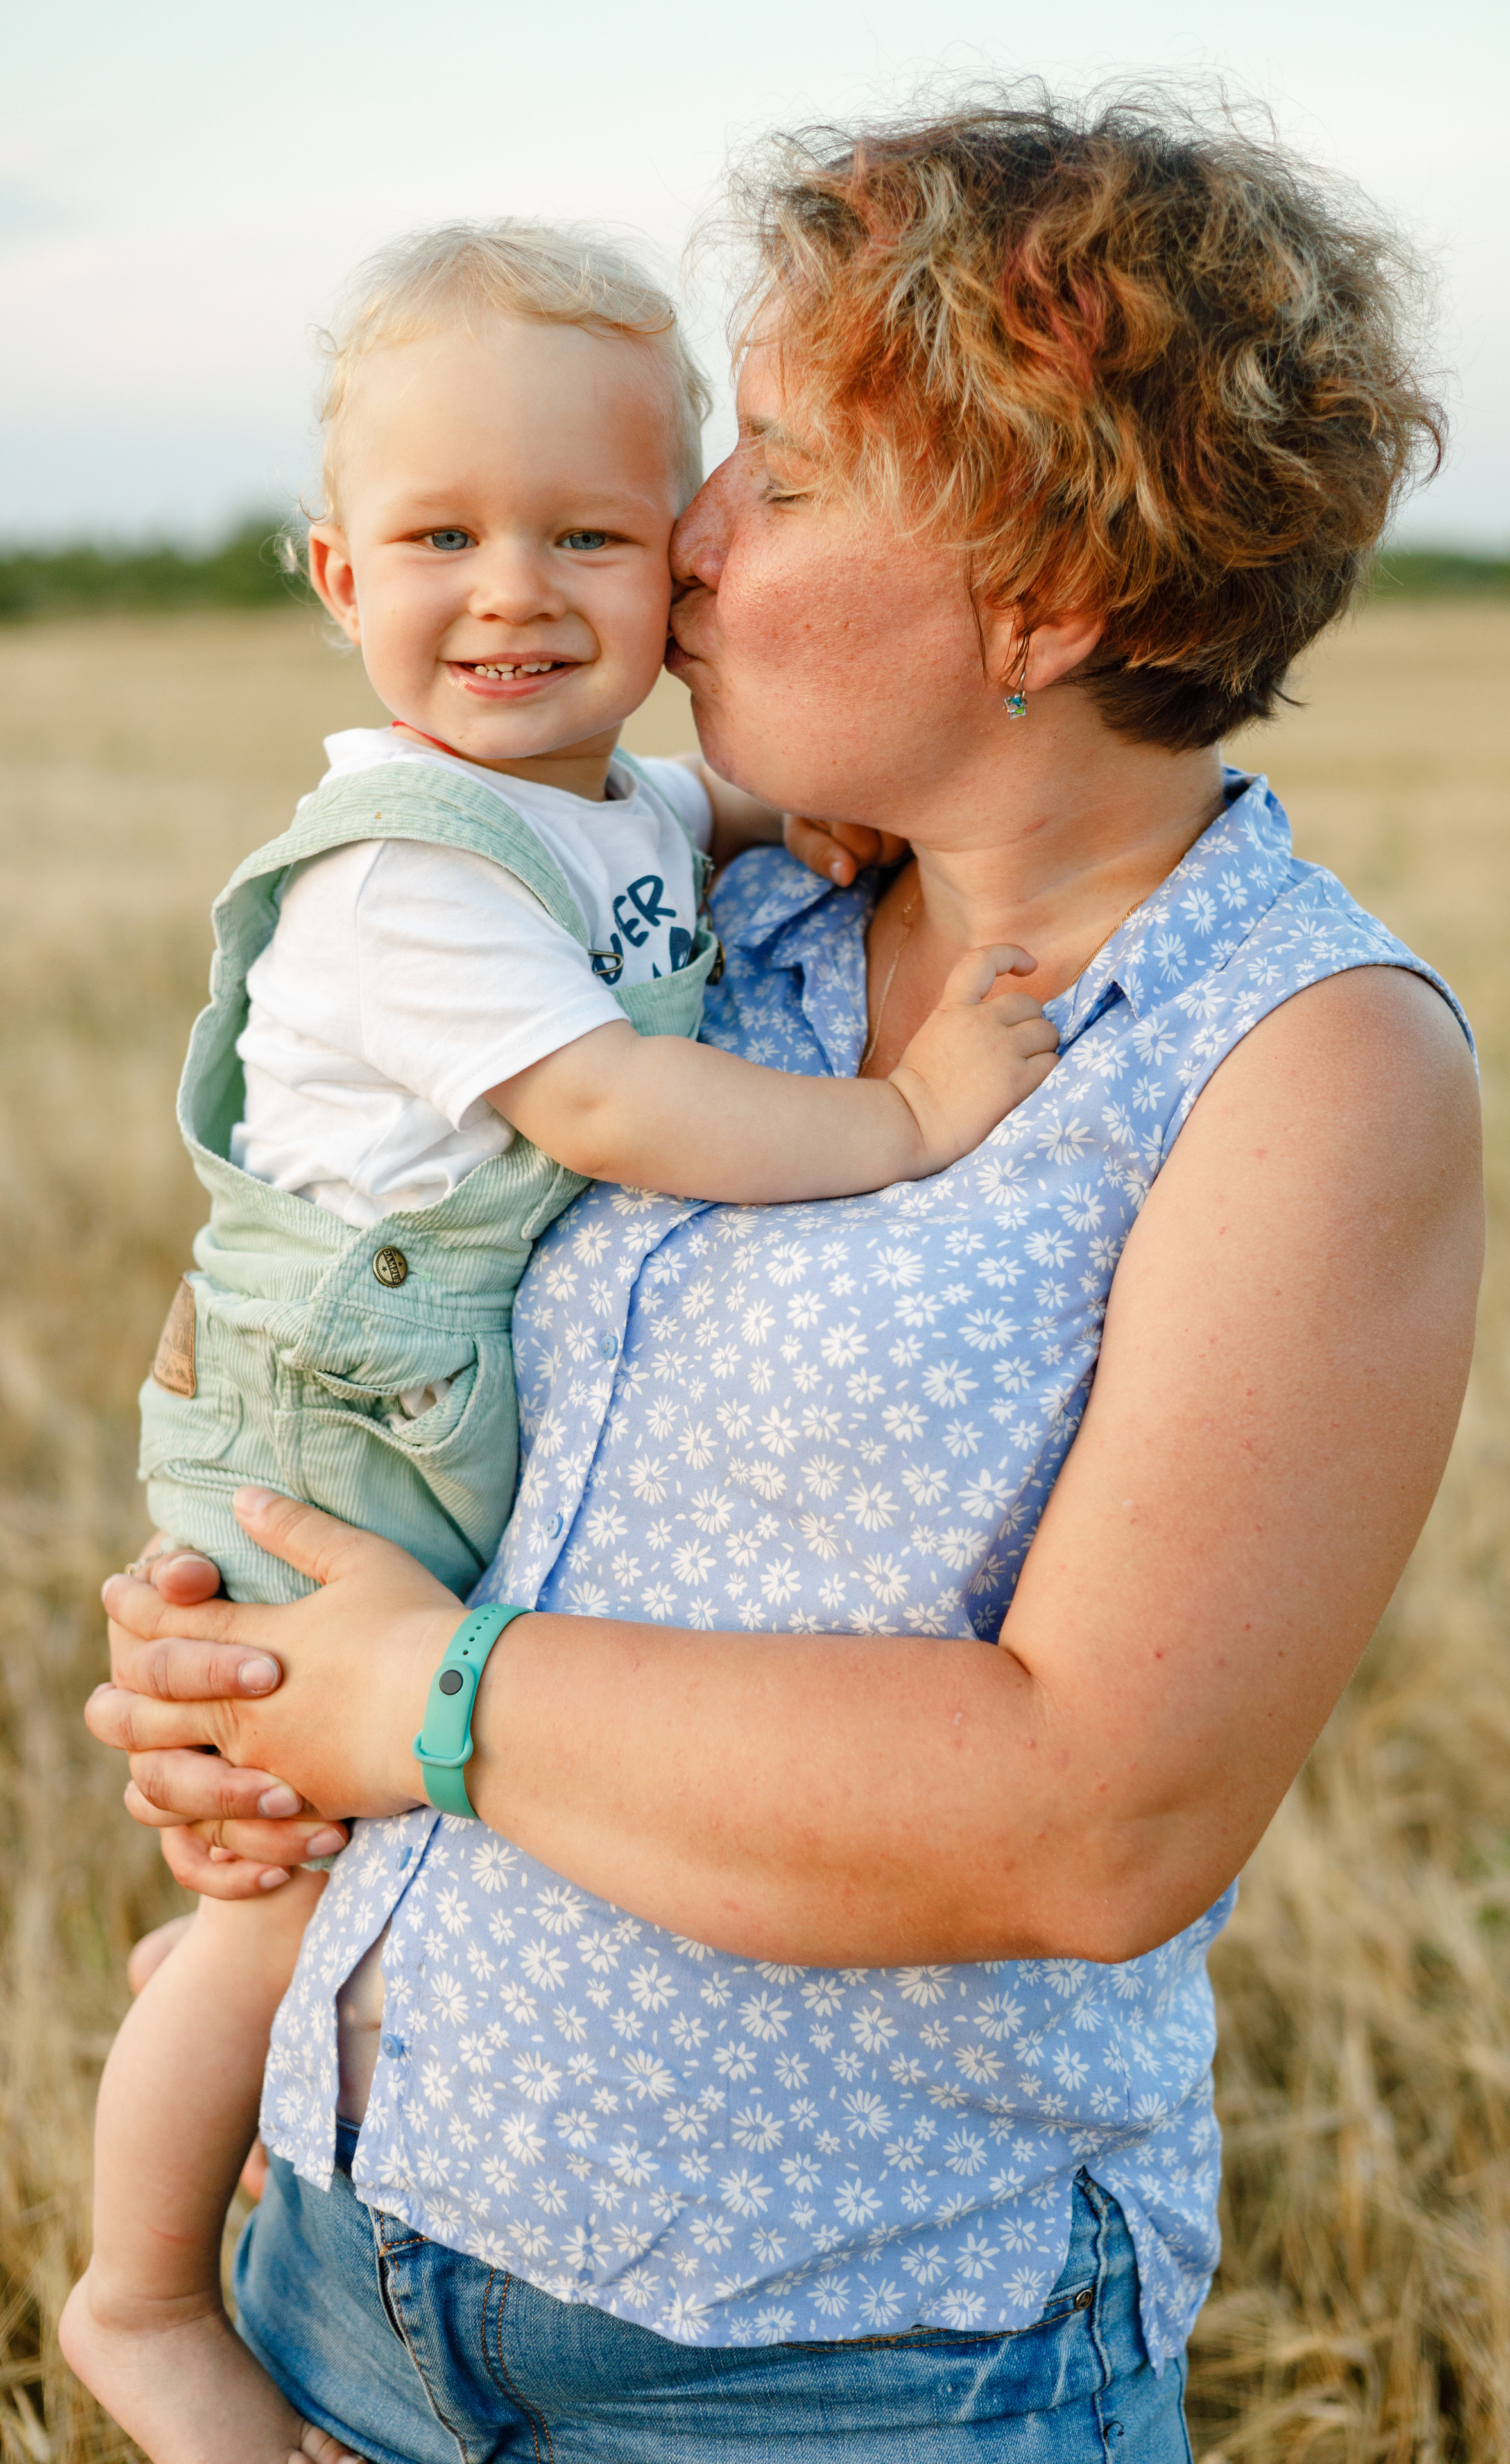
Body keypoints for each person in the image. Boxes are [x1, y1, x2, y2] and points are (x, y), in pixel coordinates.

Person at [83, 92, 1484, 2464]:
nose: (695, 536)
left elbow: (1100, 1819)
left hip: (836, 2356)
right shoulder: (712, 909)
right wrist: (221, 1653)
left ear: (1054, 596)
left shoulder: (1301, 1060)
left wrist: (419, 1696)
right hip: (345, 2251)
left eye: (791, 472)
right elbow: (338, 1286)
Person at [59, 217, 1054, 2464]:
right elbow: (610, 1106)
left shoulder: (611, 804)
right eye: (442, 539)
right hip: (340, 1420)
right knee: (269, 1884)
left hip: (422, 1409)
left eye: (585, 536)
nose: (512, 593)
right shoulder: (405, 874)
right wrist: (904, 1121)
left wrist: (819, 803)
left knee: (323, 1851)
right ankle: (143, 2298)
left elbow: (696, 826)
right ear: (338, 574)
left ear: (673, 563)